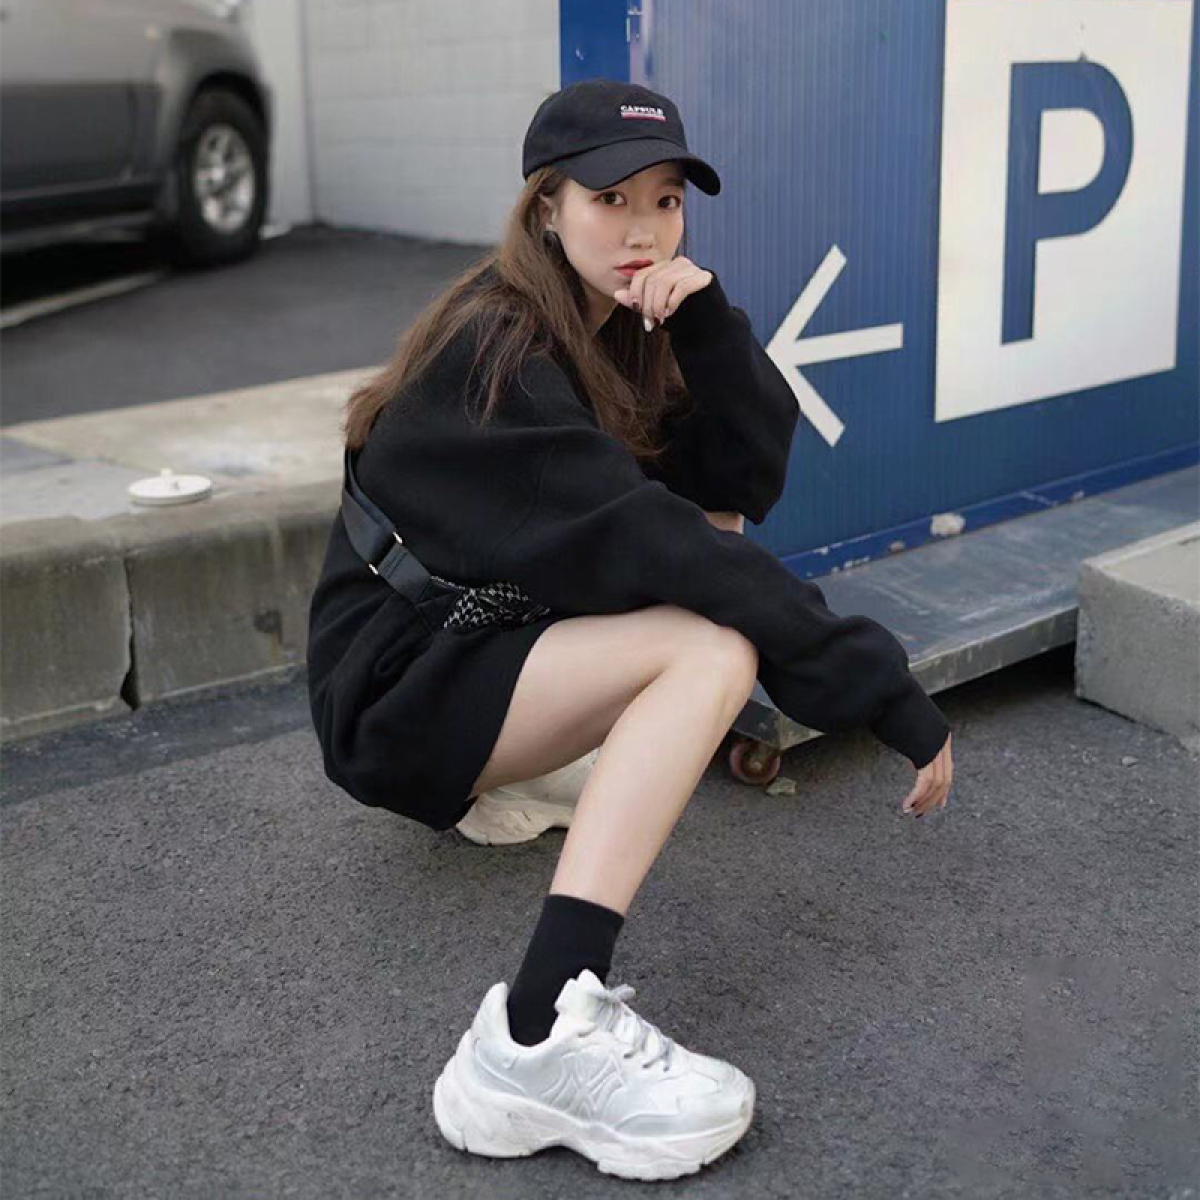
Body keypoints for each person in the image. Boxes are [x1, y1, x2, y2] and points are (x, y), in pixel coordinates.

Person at [305, 77, 954, 1181]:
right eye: (610, 199)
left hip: (475, 637)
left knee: (708, 526)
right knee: (709, 645)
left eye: (666, 200)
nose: (644, 229)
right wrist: (882, 690)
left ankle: (516, 780)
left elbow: (740, 482)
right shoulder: (499, 355)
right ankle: (534, 1034)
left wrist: (706, 326)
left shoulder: (616, 322)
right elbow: (668, 550)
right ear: (547, 208)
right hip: (394, 694)